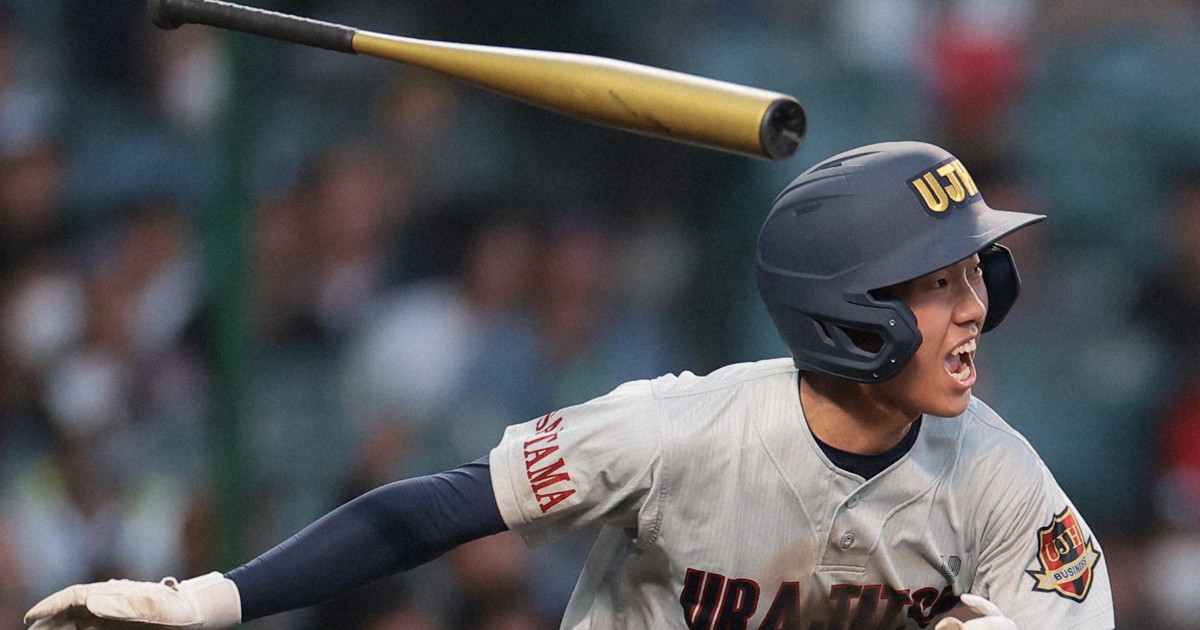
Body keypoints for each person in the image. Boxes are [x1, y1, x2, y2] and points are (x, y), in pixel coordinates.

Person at [22, 141, 1115, 629]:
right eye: (938, 283)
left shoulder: (1002, 481)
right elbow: (439, 509)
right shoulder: (678, 432)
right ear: (850, 312)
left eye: (976, 274)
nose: (976, 307)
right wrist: (208, 601)